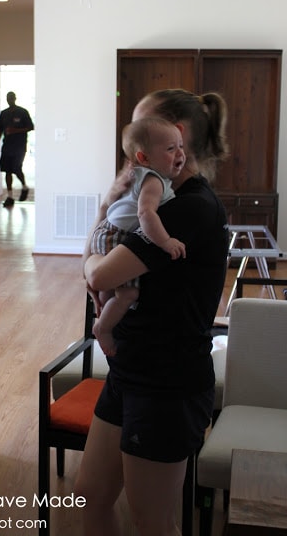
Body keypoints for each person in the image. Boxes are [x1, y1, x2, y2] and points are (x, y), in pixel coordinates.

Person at [75, 88, 229, 536]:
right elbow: (96, 256)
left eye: (140, 130)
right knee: (90, 495)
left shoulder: (187, 208)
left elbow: (98, 273)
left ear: (174, 134)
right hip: (130, 369)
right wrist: (104, 207)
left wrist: (92, 264)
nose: (131, 153)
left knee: (153, 523)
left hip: (167, 385)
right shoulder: (159, 201)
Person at [90, 116, 186, 357]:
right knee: (129, 293)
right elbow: (145, 213)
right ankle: (103, 329)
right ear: (144, 158)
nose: (180, 154)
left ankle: (104, 315)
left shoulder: (146, 175)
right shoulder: (154, 181)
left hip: (107, 230)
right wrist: (165, 241)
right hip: (116, 235)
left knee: (112, 287)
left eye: (181, 146)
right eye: (170, 149)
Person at [0, 91, 34, 207]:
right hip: (7, 146)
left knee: (16, 168)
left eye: (11, 98)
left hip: (19, 146)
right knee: (7, 171)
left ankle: (24, 186)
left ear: (15, 98)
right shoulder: (4, 114)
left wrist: (15, 130)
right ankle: (10, 197)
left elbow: (31, 127)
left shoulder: (23, 112)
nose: (9, 100)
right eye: (8, 98)